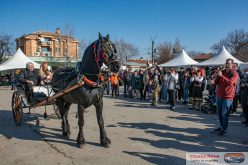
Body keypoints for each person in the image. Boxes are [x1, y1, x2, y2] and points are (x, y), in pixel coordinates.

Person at [213, 58, 239, 136]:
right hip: (219, 95)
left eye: (229, 63)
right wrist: (213, 79)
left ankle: (224, 129)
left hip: (228, 97)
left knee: (224, 114)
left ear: (232, 65)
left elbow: (230, 82)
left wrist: (222, 76)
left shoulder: (234, 73)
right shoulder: (222, 72)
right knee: (220, 113)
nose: (227, 65)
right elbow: (216, 81)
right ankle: (221, 126)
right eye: (226, 63)